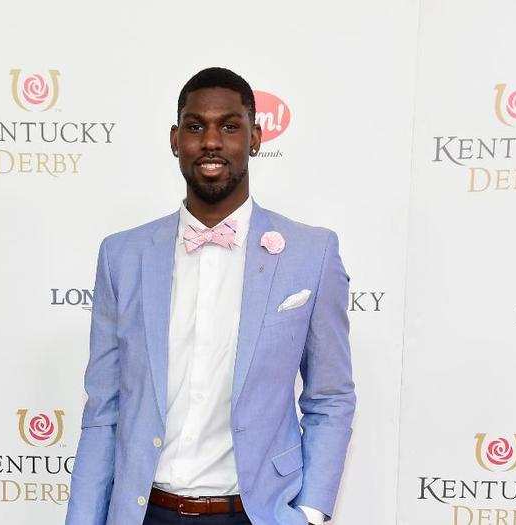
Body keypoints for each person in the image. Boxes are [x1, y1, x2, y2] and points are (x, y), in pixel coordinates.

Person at [65, 67, 356, 525]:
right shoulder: (122, 255)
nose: (212, 141)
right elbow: (104, 409)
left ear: (256, 138)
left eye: (230, 126)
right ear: (175, 139)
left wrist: (313, 512)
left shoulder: (311, 254)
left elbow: (330, 396)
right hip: (145, 512)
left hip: (257, 513)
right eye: (195, 126)